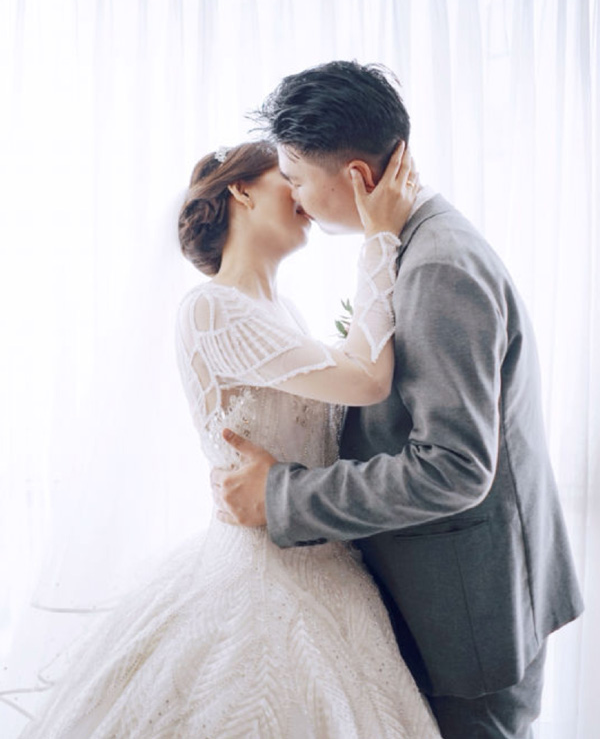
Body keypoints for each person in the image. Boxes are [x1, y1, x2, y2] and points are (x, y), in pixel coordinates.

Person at [19, 138, 442, 738]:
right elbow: (367, 378)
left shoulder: (285, 312)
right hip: (258, 578)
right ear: (241, 190)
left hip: (327, 567)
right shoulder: (211, 309)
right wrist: (379, 237)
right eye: (287, 178)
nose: (303, 193)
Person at [213, 60, 584, 739]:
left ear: (356, 176)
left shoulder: (437, 266)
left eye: (296, 176)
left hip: (469, 612)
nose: (292, 194)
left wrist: (280, 496)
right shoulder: (415, 244)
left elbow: (454, 467)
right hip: (457, 589)